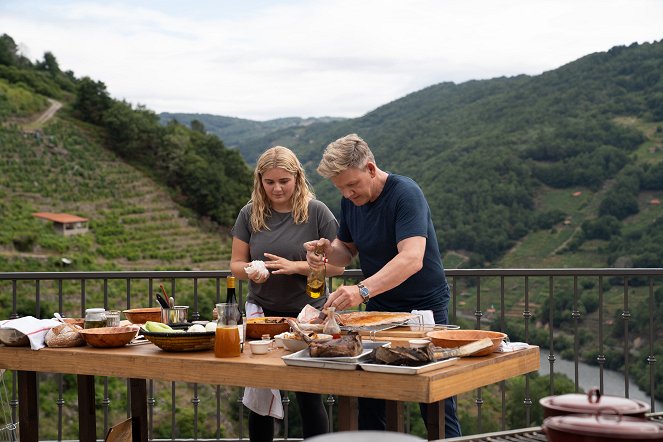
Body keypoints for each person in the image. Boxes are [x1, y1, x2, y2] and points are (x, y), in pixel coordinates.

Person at [305, 133, 462, 438]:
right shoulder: (350, 201)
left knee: (435, 400)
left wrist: (361, 290)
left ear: (371, 169)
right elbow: (345, 251)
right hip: (380, 309)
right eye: (341, 188)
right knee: (371, 395)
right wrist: (324, 253)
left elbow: (412, 258)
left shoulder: (406, 193)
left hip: (423, 309)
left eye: (353, 185)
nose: (348, 194)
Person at [230, 145, 344, 442]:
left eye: (284, 181)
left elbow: (338, 268)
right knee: (260, 395)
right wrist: (251, 271)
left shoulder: (317, 212)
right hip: (263, 316)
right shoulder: (250, 213)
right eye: (270, 182)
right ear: (260, 181)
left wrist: (295, 267)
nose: (277, 188)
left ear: (297, 178)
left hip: (308, 316)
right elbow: (236, 264)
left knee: (308, 395)